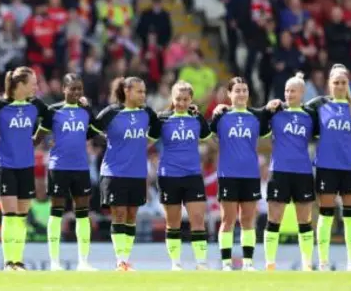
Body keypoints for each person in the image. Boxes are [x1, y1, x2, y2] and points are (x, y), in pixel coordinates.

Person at [304, 64, 351, 272]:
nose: (340, 86)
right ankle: (323, 262)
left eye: (343, 82)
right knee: (326, 215)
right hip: (326, 166)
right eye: (336, 82)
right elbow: (294, 111)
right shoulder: (318, 104)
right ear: (329, 84)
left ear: (348, 84)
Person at [92, 77, 160, 271]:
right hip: (114, 171)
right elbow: (92, 128)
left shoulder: (147, 113)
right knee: (119, 214)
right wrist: (106, 139)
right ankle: (120, 260)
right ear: (127, 92)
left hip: (137, 172)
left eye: (144, 92)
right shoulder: (111, 113)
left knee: (131, 215)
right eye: (139, 91)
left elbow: (157, 129)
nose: (143, 95)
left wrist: (145, 143)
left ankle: (126, 259)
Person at [0, 66, 50, 271]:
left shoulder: (35, 105)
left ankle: (18, 260)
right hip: (4, 166)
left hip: (26, 165)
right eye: (32, 83)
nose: (36, 86)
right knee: (10, 214)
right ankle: (8, 262)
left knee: (22, 216)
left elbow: (50, 118)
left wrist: (37, 137)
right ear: (20, 85)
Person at [34, 73, 97, 272]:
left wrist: (89, 109)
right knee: (56, 213)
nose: (77, 92)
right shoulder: (53, 111)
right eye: (72, 88)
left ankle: (84, 262)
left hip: (81, 167)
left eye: (80, 89)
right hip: (58, 167)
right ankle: (54, 262)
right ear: (63, 89)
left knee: (82, 214)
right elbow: (39, 137)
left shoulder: (85, 111)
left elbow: (93, 131)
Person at [148, 81, 211, 271]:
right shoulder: (162, 119)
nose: (182, 103)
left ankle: (201, 263)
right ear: (172, 99)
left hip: (192, 175)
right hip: (169, 176)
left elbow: (208, 139)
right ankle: (176, 264)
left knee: (198, 220)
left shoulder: (196, 118)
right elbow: (147, 142)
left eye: (185, 99)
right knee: (173, 223)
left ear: (191, 99)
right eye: (178, 99)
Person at [210, 77, 271, 271]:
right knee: (227, 220)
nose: (242, 93)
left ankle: (248, 263)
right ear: (229, 94)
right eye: (237, 90)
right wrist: (215, 111)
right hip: (228, 174)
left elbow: (266, 136)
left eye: (244, 90)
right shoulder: (221, 116)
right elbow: (210, 137)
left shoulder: (256, 116)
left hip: (251, 175)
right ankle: (226, 263)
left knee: (247, 219)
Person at [262, 73, 319, 271]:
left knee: (305, 220)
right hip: (279, 171)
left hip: (303, 172)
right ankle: (270, 262)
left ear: (302, 93)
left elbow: (322, 136)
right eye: (286, 90)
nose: (288, 94)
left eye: (293, 90)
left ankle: (307, 263)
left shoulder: (310, 115)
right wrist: (266, 109)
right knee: (274, 219)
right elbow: (258, 121)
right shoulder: (276, 111)